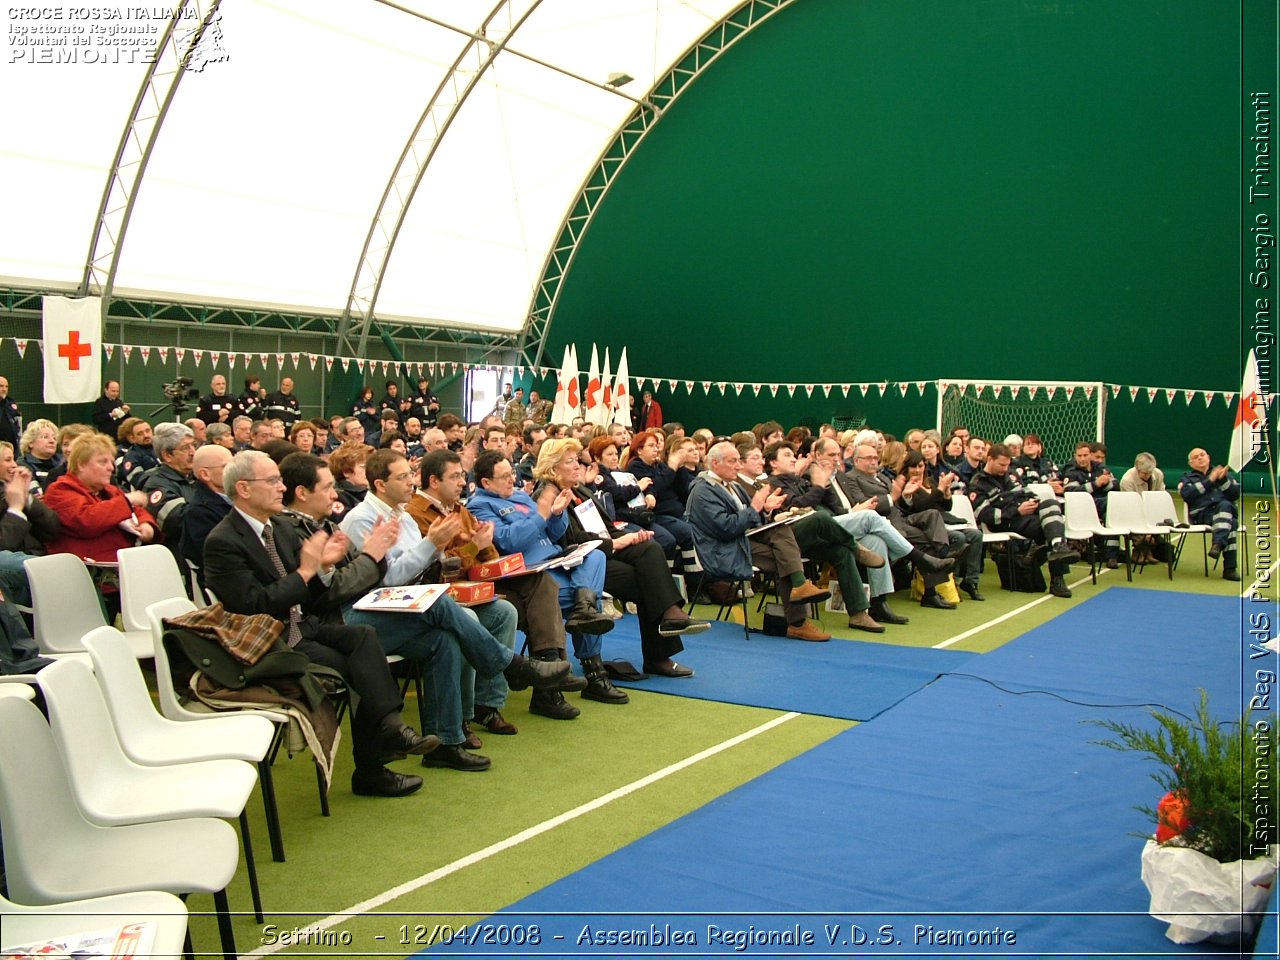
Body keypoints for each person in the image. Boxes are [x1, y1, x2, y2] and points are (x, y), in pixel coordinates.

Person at [203, 450, 443, 797]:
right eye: (271, 481)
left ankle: (386, 737)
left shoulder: (280, 528)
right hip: (270, 641)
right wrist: (306, 571)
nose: (280, 487)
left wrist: (326, 568)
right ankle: (375, 763)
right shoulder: (223, 541)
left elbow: (315, 597)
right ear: (243, 488)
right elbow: (254, 606)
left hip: (305, 627)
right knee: (360, 667)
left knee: (363, 638)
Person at [335, 451, 567, 768]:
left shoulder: (402, 515)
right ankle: (510, 665)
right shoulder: (362, 519)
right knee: (447, 609)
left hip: (407, 605)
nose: (410, 482)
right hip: (368, 615)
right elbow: (387, 578)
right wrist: (433, 545)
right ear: (380, 484)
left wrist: (454, 548)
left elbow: (432, 569)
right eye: (402, 478)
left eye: (409, 474)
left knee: (452, 636)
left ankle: (447, 741)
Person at [408, 449, 586, 720]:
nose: (460, 482)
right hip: (449, 593)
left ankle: (523, 685)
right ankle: (539, 678)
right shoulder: (425, 513)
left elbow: (491, 555)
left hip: (489, 581)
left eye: (512, 474)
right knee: (519, 605)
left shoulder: (464, 509)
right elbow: (438, 571)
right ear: (434, 481)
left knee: (543, 583)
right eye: (455, 477)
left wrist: (553, 515)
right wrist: (476, 545)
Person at [535, 438, 708, 677]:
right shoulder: (547, 495)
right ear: (553, 468)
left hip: (605, 549)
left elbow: (606, 526)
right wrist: (615, 543)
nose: (578, 466)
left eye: (577, 460)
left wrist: (627, 537)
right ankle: (661, 648)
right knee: (648, 579)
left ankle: (670, 616)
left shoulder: (580, 490)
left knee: (650, 547)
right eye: (570, 462)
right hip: (580, 564)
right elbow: (568, 542)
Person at [467, 450, 627, 703]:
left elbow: (553, 534)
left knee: (596, 556)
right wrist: (541, 514)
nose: (512, 480)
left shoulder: (520, 496)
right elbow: (510, 542)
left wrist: (556, 513)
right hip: (530, 574)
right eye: (504, 477)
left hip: (556, 561)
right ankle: (594, 673)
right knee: (587, 601)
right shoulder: (479, 506)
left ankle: (583, 609)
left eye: (512, 474)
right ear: (486, 483)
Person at [687, 442, 834, 640]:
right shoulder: (702, 492)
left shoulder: (734, 486)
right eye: (733, 461)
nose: (738, 466)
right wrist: (755, 508)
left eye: (739, 460)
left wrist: (765, 509)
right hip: (723, 550)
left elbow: (750, 519)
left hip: (741, 541)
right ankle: (798, 617)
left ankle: (799, 605)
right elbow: (726, 529)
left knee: (781, 531)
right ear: (715, 463)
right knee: (785, 559)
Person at [836, 441, 965, 609]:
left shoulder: (882, 476)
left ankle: (938, 562)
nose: (874, 461)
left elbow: (901, 506)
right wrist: (893, 497)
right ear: (856, 460)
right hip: (882, 524)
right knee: (929, 541)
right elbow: (864, 504)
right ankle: (933, 583)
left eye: (876, 457)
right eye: (868, 458)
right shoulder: (852, 478)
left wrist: (905, 496)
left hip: (901, 519)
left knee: (932, 525)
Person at [44, 433, 158, 617]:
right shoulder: (60, 491)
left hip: (121, 576)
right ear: (81, 464)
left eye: (111, 462)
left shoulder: (108, 491)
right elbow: (87, 521)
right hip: (85, 582)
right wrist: (127, 501)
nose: (111, 468)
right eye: (102, 462)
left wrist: (146, 524)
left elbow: (138, 510)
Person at [969, 443, 1079, 598]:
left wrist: (1032, 503)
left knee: (1050, 504)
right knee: (1051, 528)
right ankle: (1057, 577)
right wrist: (1016, 510)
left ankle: (1057, 547)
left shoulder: (1010, 475)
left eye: (1007, 465)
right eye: (1001, 464)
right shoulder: (977, 483)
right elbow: (986, 515)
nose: (1005, 469)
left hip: (1023, 517)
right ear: (989, 459)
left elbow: (1028, 493)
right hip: (1002, 524)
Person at [897, 450, 986, 600]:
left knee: (976, 535)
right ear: (906, 468)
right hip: (925, 527)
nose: (917, 470)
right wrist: (939, 490)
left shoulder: (929, 482)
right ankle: (951, 578)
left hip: (945, 523)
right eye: (913, 467)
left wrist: (946, 495)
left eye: (920, 466)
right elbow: (921, 507)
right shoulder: (906, 486)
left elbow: (945, 507)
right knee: (958, 538)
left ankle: (971, 582)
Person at [0, 441, 59, 604]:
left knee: (73, 573)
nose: (14, 465)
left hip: (38, 563)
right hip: (15, 579)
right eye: (7, 460)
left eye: (13, 459)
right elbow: (3, 547)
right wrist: (16, 509)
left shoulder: (15, 491)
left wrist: (28, 499)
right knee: (63, 574)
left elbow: (53, 530)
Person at [626, 430, 697, 556]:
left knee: (703, 527)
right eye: (651, 446)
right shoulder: (635, 467)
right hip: (659, 514)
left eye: (657, 445)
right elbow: (656, 486)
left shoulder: (659, 465)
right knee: (687, 532)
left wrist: (680, 467)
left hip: (677, 511)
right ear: (639, 450)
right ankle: (687, 573)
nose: (656, 449)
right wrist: (672, 467)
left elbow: (681, 488)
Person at [137, 422, 197, 561]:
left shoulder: (193, 476)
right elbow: (175, 521)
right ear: (167, 455)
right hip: (175, 560)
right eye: (185, 448)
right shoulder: (156, 483)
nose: (193, 452)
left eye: (194, 445)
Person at [1178, 448, 1241, 581]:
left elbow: (1235, 494)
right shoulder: (1188, 478)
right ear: (1191, 463)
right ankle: (1229, 569)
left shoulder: (1223, 474)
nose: (1200, 458)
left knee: (1225, 506)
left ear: (1208, 457)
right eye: (1196, 457)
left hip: (1224, 512)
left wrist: (1222, 480)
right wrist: (1210, 481)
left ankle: (1217, 545)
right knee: (1231, 523)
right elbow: (1188, 495)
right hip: (1203, 515)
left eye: (1202, 455)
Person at [180, 442, 233, 582]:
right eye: (226, 466)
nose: (234, 472)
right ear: (205, 474)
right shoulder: (198, 513)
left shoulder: (238, 499)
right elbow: (220, 560)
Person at [327, 443, 372, 518]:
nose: (370, 471)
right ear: (346, 472)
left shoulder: (369, 492)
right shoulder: (338, 497)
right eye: (364, 467)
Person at [19, 419, 62, 492]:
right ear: (30, 443)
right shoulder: (23, 465)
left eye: (54, 438)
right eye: (45, 437)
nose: (52, 441)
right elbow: (37, 495)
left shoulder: (63, 462)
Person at [0, 376, 20, 449]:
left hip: (10, 445)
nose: (4, 389)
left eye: (6, 386)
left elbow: (18, 422)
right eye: (1, 386)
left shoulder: (11, 404)